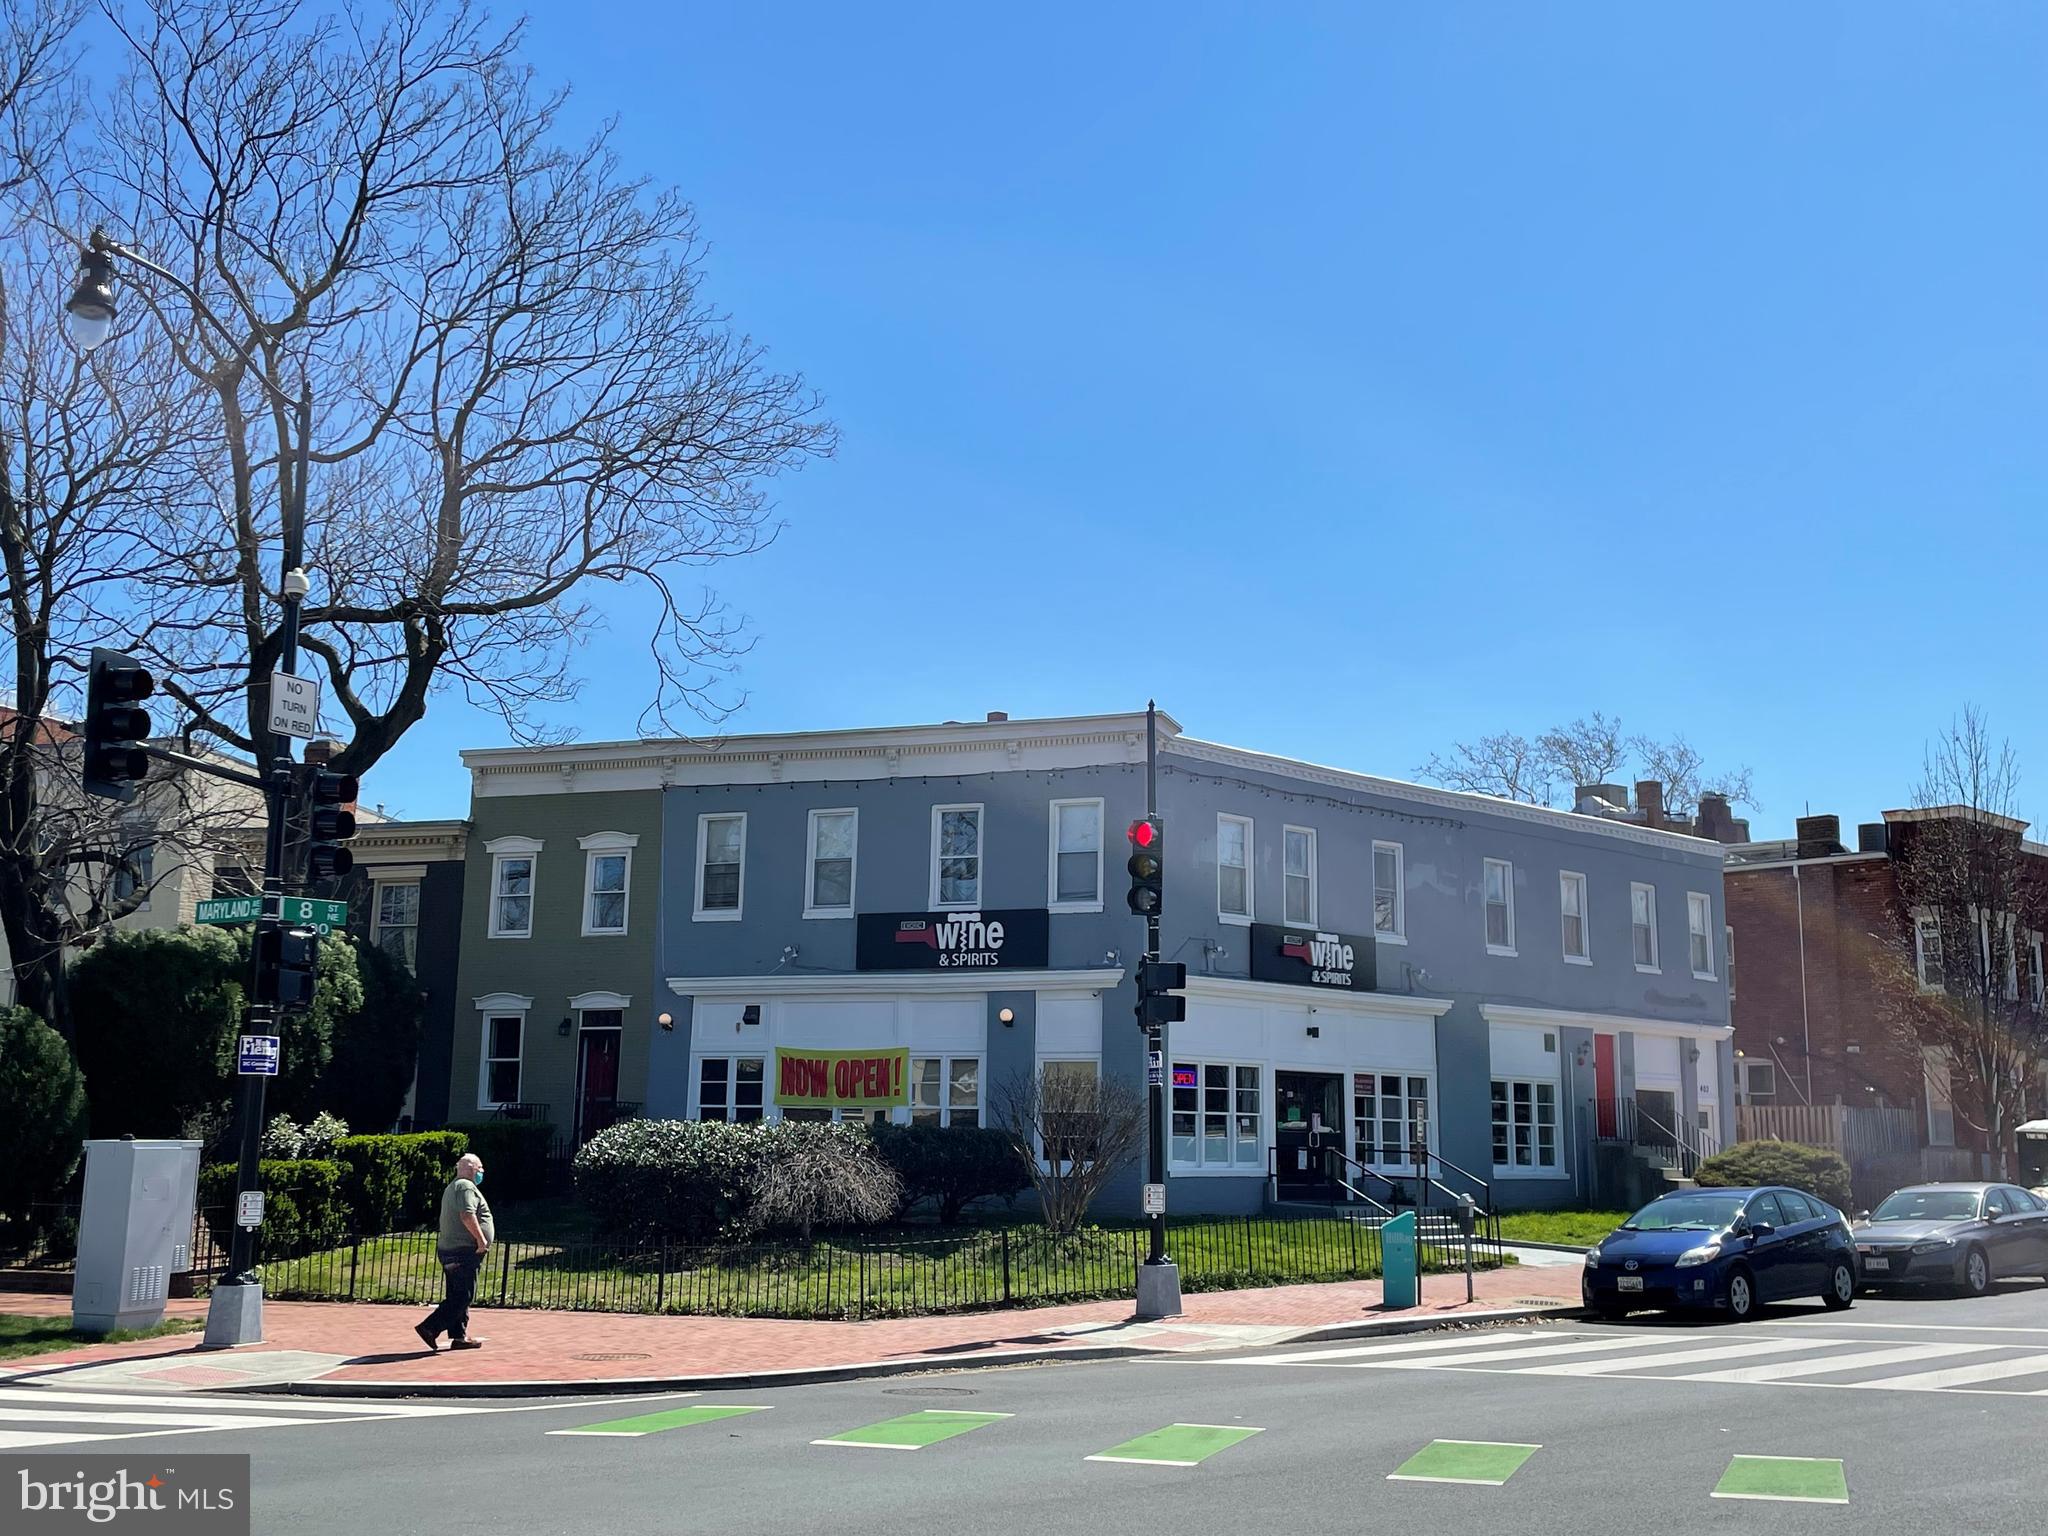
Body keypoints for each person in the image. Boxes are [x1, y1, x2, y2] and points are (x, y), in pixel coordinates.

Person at [415, 1153, 492, 1352]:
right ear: (472, 1168)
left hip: (450, 1250)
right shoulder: (465, 1186)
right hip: (463, 1250)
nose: (482, 1172)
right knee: (463, 1295)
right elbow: (467, 1214)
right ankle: (430, 1327)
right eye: (480, 1168)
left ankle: (459, 1336)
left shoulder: (452, 1187)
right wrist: (481, 1240)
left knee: (457, 1293)